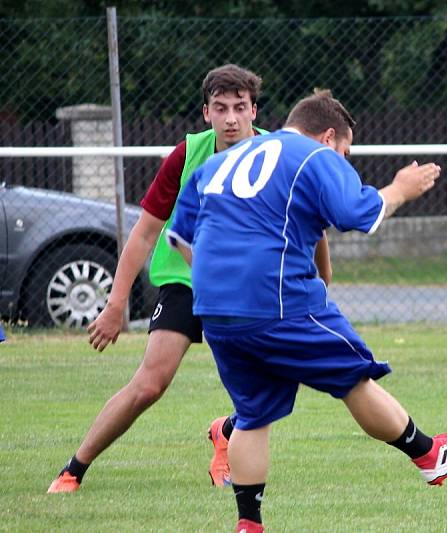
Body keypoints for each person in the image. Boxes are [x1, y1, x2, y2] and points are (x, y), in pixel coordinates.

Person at [167, 89, 447, 533]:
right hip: (277, 300)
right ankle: (429, 455)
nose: (344, 159)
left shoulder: (219, 163)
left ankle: (248, 524)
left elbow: (179, 237)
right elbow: (359, 214)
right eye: (345, 151)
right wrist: (399, 189)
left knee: (254, 414)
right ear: (329, 137)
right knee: (354, 376)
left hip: (216, 309)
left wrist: (220, 284)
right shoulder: (313, 157)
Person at [47, 64, 332, 493]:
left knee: (283, 370)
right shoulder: (186, 155)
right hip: (187, 280)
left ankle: (229, 435)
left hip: (247, 288)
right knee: (149, 384)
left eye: (240, 107)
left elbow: (315, 227)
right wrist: (115, 304)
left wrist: (322, 285)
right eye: (221, 108)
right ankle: (73, 469)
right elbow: (144, 233)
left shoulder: (276, 155)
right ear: (206, 113)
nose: (231, 118)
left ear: (255, 110)